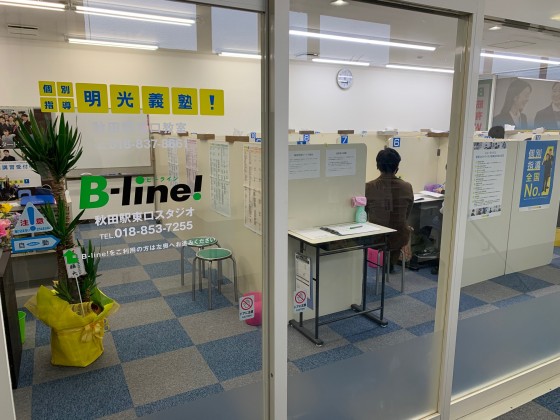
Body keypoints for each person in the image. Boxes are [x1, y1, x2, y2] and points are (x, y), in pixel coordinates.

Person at [365, 148, 414, 272]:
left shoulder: (369, 187)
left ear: (378, 166)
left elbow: (364, 213)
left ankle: (380, 264)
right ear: (397, 167)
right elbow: (407, 214)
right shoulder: (407, 187)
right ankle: (390, 263)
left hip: (376, 238)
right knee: (399, 229)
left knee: (380, 231)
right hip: (399, 237)